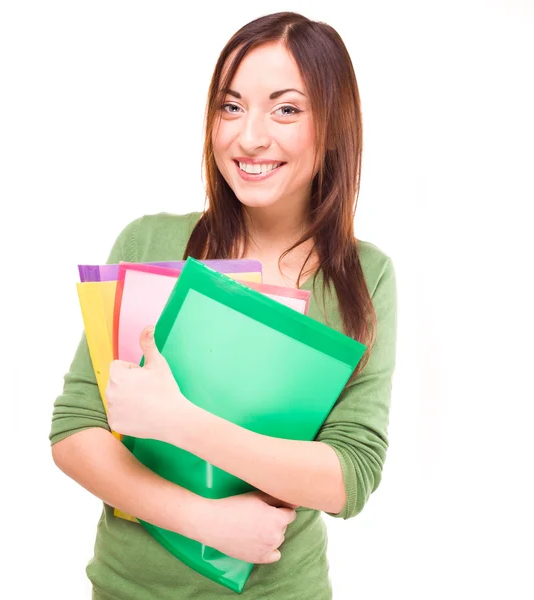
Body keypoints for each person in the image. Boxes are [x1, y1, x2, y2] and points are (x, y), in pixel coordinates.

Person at [50, 10, 397, 600]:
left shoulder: (364, 277)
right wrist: (203, 519)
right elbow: (75, 429)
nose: (249, 136)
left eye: (285, 109)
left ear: (333, 125)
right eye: (230, 106)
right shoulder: (149, 243)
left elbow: (351, 476)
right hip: (128, 589)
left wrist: (180, 422)